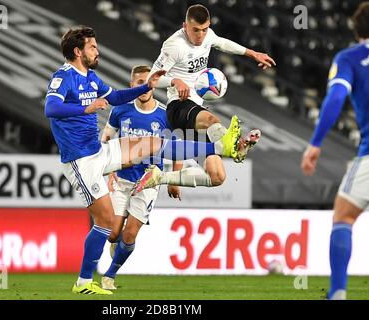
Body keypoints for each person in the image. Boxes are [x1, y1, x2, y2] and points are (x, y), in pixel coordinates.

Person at [44, 26, 241, 295]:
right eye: (92, 46)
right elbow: (51, 108)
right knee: (105, 225)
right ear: (78, 52)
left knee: (153, 145)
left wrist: (147, 86)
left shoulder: (90, 77)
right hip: (81, 161)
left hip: (100, 152)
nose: (96, 50)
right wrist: (85, 108)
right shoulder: (63, 76)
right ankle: (83, 283)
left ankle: (219, 146)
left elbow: (114, 97)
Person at [136, 4, 271, 193]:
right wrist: (175, 81)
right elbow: (152, 80)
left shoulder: (208, 35)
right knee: (211, 120)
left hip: (195, 111)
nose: (200, 35)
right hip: (179, 107)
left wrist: (252, 53)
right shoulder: (174, 45)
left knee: (217, 177)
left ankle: (159, 177)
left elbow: (222, 43)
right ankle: (235, 144)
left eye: (204, 29)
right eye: (195, 30)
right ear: (185, 26)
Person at [301, 1, 369, 300]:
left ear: (357, 30)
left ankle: (337, 293)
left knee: (343, 217)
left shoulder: (350, 58)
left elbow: (335, 99)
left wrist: (316, 143)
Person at [99, 65, 182, 290]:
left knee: (129, 235)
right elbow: (107, 137)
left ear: (154, 84)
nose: (143, 86)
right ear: (132, 85)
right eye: (138, 83)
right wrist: (107, 166)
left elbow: (177, 148)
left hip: (148, 181)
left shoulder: (165, 115)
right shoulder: (120, 110)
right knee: (112, 233)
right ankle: (116, 250)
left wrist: (173, 180)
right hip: (122, 179)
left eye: (147, 82)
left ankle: (109, 276)